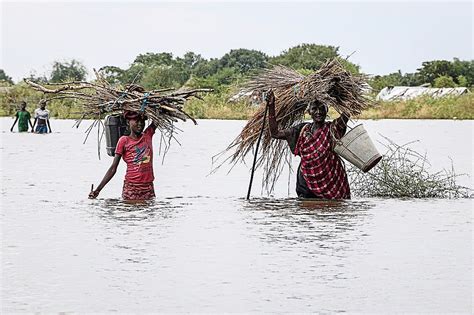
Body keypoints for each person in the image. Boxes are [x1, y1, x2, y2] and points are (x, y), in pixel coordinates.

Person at [266, 90, 351, 199]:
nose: (318, 112)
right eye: (314, 109)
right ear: (309, 112)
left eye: (322, 108)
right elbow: (275, 133)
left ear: (327, 110)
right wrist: (271, 106)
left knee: (332, 209)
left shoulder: (333, 128)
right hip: (305, 181)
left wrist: (340, 94)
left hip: (330, 178)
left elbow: (346, 114)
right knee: (306, 208)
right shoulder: (302, 129)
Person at [89, 111, 157, 201]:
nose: (140, 123)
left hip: (148, 187)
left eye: (142, 121)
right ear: (128, 122)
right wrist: (97, 190)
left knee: (148, 213)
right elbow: (113, 168)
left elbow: (157, 118)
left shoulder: (148, 135)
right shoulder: (124, 140)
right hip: (132, 187)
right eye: (136, 121)